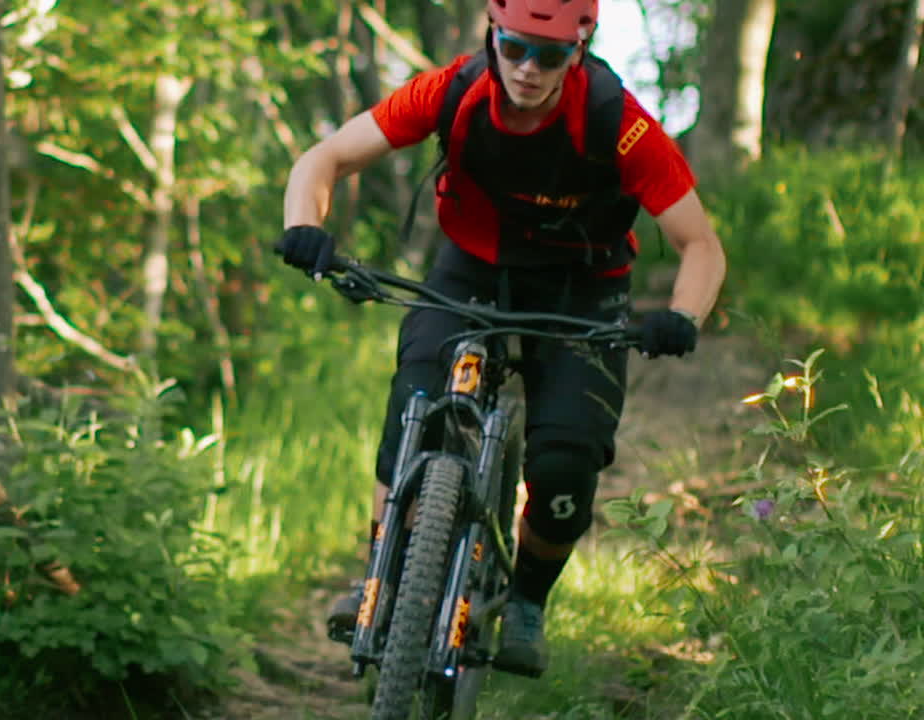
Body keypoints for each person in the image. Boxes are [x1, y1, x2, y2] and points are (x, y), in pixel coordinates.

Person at [275, 0, 726, 679]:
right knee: (414, 404)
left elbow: (700, 245)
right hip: (471, 267)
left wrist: (683, 315)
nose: (528, 69)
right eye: (515, 48)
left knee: (566, 465)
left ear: (579, 49)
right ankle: (384, 577)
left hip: (582, 283)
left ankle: (527, 604)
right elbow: (327, 157)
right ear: (493, 33)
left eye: (549, 56)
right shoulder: (453, 90)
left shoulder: (616, 120)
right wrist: (305, 223)